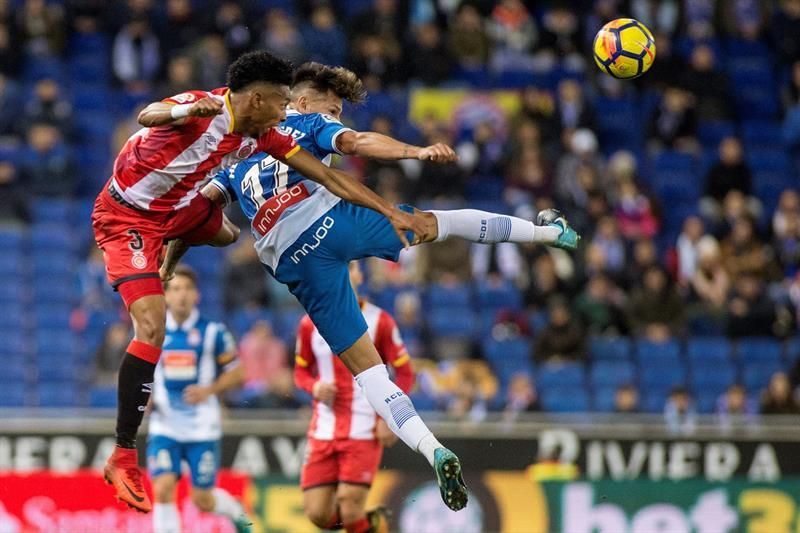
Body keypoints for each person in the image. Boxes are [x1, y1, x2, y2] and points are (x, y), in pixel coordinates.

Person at [162, 62, 580, 511]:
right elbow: (358, 142)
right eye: (334, 107)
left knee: (367, 370)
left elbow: (192, 215)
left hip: (292, 261)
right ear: (302, 103)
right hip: (328, 221)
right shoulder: (307, 122)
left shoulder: (234, 161)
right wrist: (415, 152)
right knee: (433, 223)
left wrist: (167, 261)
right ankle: (547, 234)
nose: (337, 116)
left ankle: (433, 448)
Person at [93, 51, 424, 513]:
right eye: (281, 101)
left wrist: (388, 210)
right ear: (256, 98)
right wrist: (187, 110)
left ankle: (167, 257)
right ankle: (124, 453)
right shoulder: (204, 107)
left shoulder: (262, 135)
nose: (286, 109)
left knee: (227, 232)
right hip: (127, 215)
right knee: (152, 326)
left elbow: (327, 176)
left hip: (178, 208)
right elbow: (149, 114)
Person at [294, 261, 411, 533]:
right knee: (318, 514)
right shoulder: (309, 322)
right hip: (324, 429)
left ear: (359, 275)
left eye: (350, 266)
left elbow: (405, 372)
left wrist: (389, 416)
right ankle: (372, 525)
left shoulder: (380, 321)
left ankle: (358, 519)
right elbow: (300, 373)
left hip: (364, 428)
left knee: (349, 505)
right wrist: (314, 387)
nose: (345, 272)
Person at [146, 265, 250, 533]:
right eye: (176, 288)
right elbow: (139, 369)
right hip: (165, 425)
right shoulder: (152, 330)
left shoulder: (213, 331)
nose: (182, 295)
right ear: (166, 295)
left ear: (197, 295)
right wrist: (143, 397)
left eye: (188, 289)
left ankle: (234, 509)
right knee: (163, 486)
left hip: (201, 426)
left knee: (202, 499)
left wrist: (209, 391)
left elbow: (238, 372)